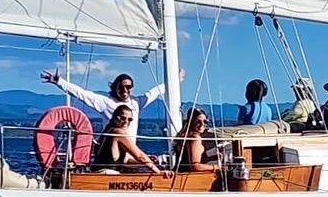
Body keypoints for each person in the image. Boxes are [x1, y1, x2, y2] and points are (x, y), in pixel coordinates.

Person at [41, 68, 182, 138]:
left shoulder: (136, 103)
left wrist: (175, 81)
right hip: (113, 152)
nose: (125, 90)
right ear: (115, 87)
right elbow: (81, 94)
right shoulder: (105, 102)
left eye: (129, 87)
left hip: (129, 153)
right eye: (121, 87)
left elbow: (156, 91)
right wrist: (59, 82)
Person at [93, 104, 168, 174]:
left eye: (130, 119)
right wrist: (158, 172)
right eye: (123, 118)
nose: (126, 122)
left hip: (97, 173)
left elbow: (125, 161)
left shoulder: (107, 132)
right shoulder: (119, 133)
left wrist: (148, 161)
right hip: (108, 174)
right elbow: (139, 156)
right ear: (115, 118)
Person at [175, 107, 215, 171]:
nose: (202, 124)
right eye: (198, 121)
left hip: (180, 174)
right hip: (191, 178)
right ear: (191, 122)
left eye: (205, 121)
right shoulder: (195, 139)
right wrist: (216, 167)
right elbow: (195, 166)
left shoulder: (183, 137)